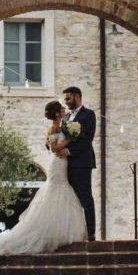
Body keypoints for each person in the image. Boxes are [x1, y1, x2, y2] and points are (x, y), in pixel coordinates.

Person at [0, 100, 87, 255]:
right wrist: (70, 140)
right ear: (56, 113)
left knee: (63, 191)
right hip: (58, 163)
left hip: (64, 162)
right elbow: (54, 149)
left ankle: (58, 231)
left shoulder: (62, 126)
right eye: (61, 108)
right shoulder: (53, 127)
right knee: (57, 190)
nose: (64, 109)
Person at [56, 86, 97, 240]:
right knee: (71, 198)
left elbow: (88, 139)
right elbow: (61, 138)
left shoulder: (89, 115)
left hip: (82, 162)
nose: (65, 102)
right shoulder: (65, 118)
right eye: (65, 99)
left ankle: (91, 232)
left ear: (77, 97)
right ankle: (74, 231)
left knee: (85, 197)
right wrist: (51, 143)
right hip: (66, 164)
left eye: (68, 98)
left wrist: (69, 151)